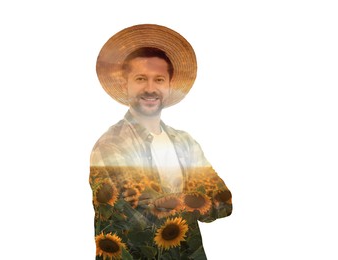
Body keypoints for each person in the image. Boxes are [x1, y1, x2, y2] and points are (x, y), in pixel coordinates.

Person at [90, 24, 232, 260]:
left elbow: (224, 203)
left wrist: (177, 202)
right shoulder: (111, 145)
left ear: (169, 85)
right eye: (140, 78)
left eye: (158, 79)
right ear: (125, 84)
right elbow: (138, 211)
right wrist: (194, 199)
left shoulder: (185, 143)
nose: (150, 88)